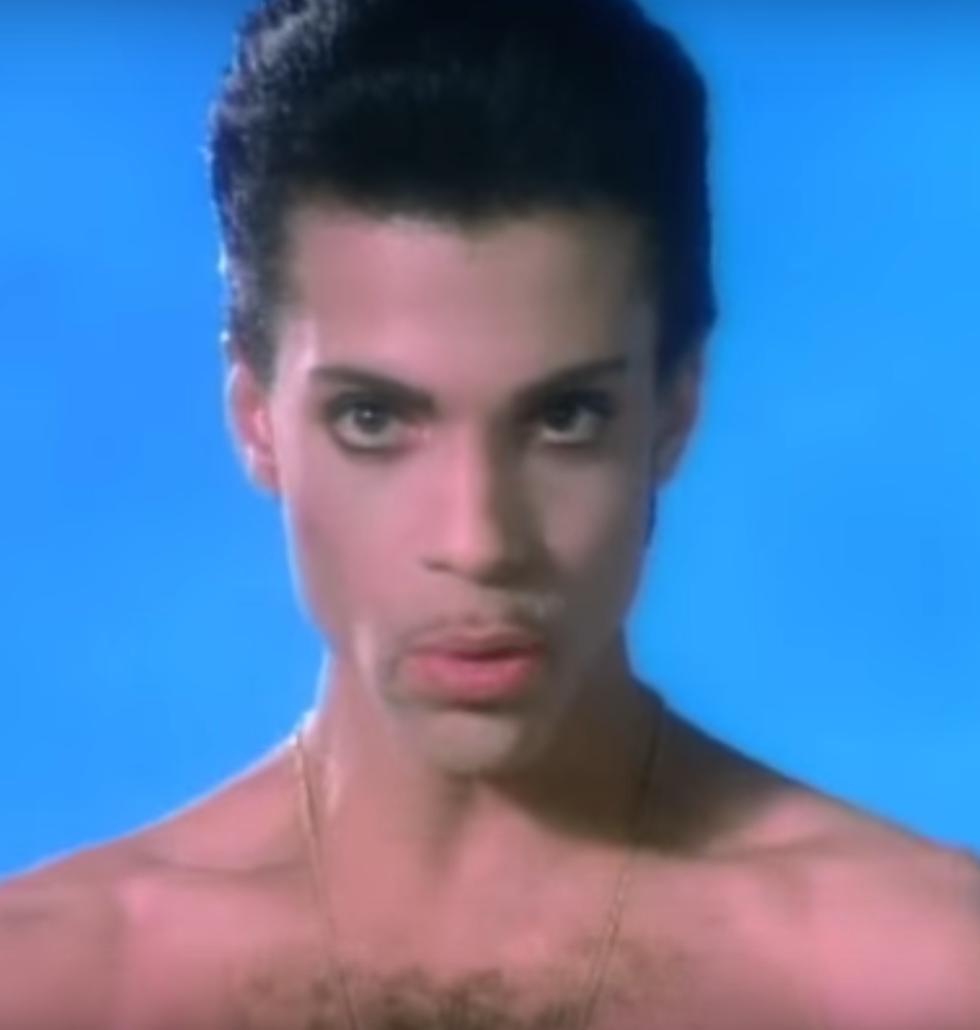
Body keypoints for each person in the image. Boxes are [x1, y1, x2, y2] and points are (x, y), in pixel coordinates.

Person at [2, 0, 978, 1027]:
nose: (477, 542)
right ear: (257, 421)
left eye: (564, 418)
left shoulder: (921, 975)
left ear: (673, 410)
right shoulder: (56, 986)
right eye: (374, 419)